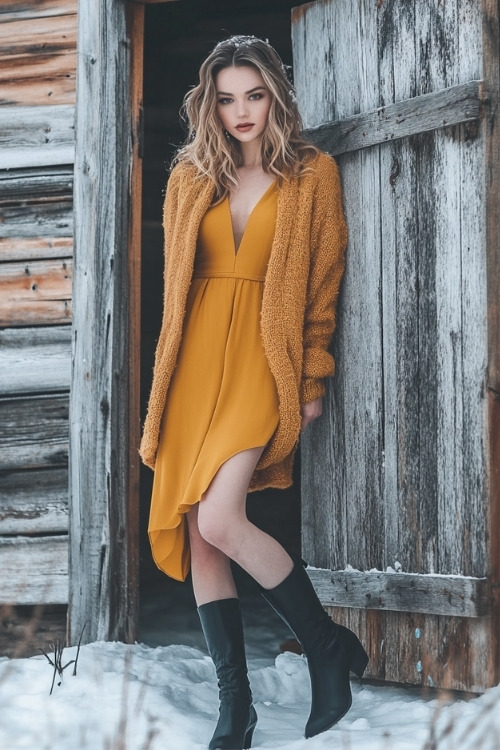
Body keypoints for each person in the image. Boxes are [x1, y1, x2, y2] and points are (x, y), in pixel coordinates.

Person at [140, 35, 368, 750]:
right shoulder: (188, 177)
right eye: (227, 98)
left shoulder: (312, 175)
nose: (241, 111)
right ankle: (234, 707)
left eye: (255, 94)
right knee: (198, 533)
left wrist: (311, 375)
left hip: (257, 366)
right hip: (192, 366)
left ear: (277, 96)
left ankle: (327, 647)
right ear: (211, 104)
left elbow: (322, 287)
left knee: (222, 519)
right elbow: (176, 292)